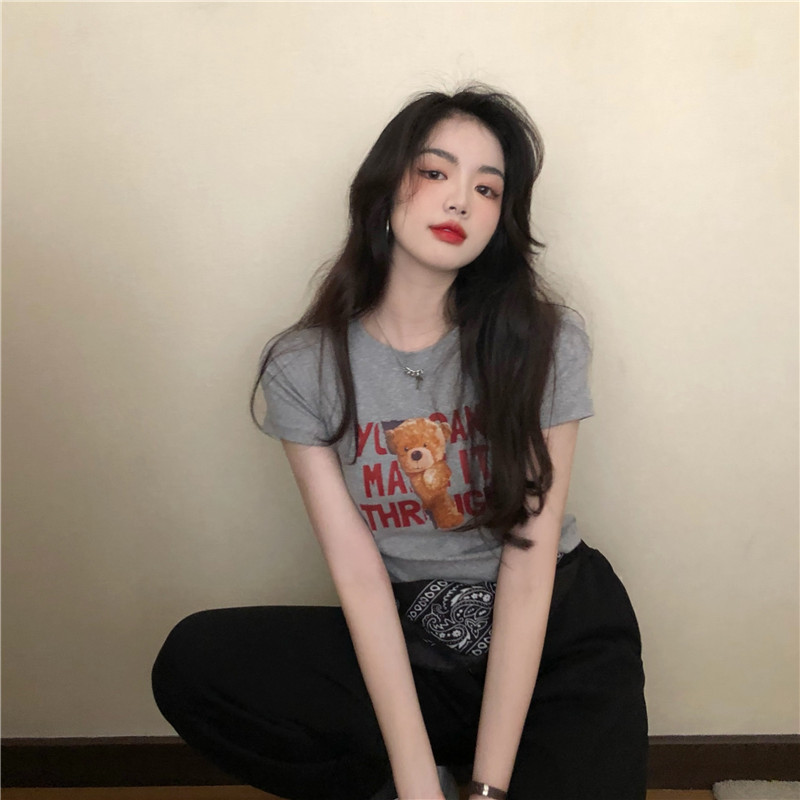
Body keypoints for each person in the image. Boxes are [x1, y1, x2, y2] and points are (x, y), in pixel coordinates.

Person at [151, 84, 648, 800]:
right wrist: (418, 786)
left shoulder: (544, 342)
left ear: (501, 220)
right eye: (435, 172)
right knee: (195, 662)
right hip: (418, 639)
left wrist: (487, 791)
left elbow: (529, 564)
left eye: (487, 188)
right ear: (385, 190)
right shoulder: (305, 367)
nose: (460, 201)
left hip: (555, 634)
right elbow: (359, 574)